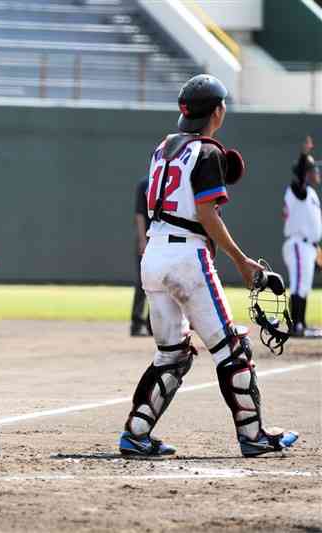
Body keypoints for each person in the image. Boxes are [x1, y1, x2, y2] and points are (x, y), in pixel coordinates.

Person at [118, 74, 298, 458]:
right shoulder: (208, 152)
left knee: (173, 354)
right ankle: (253, 436)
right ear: (217, 111)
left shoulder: (162, 148)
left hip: (154, 256)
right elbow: (206, 213)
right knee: (233, 349)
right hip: (187, 258)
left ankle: (135, 433)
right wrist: (241, 260)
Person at [282, 136, 321, 337]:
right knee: (298, 284)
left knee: (304, 286)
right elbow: (299, 177)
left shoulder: (310, 194)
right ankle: (295, 325)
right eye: (314, 169)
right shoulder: (299, 190)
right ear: (306, 173)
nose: (317, 172)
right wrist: (305, 155)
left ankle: (301, 324)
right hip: (298, 244)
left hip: (308, 246)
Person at [130, 175, 152, 337]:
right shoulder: (145, 184)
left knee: (162, 284)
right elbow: (139, 214)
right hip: (149, 238)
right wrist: (142, 239)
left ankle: (153, 325)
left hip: (162, 239)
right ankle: (137, 324)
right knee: (143, 282)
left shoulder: (166, 183)